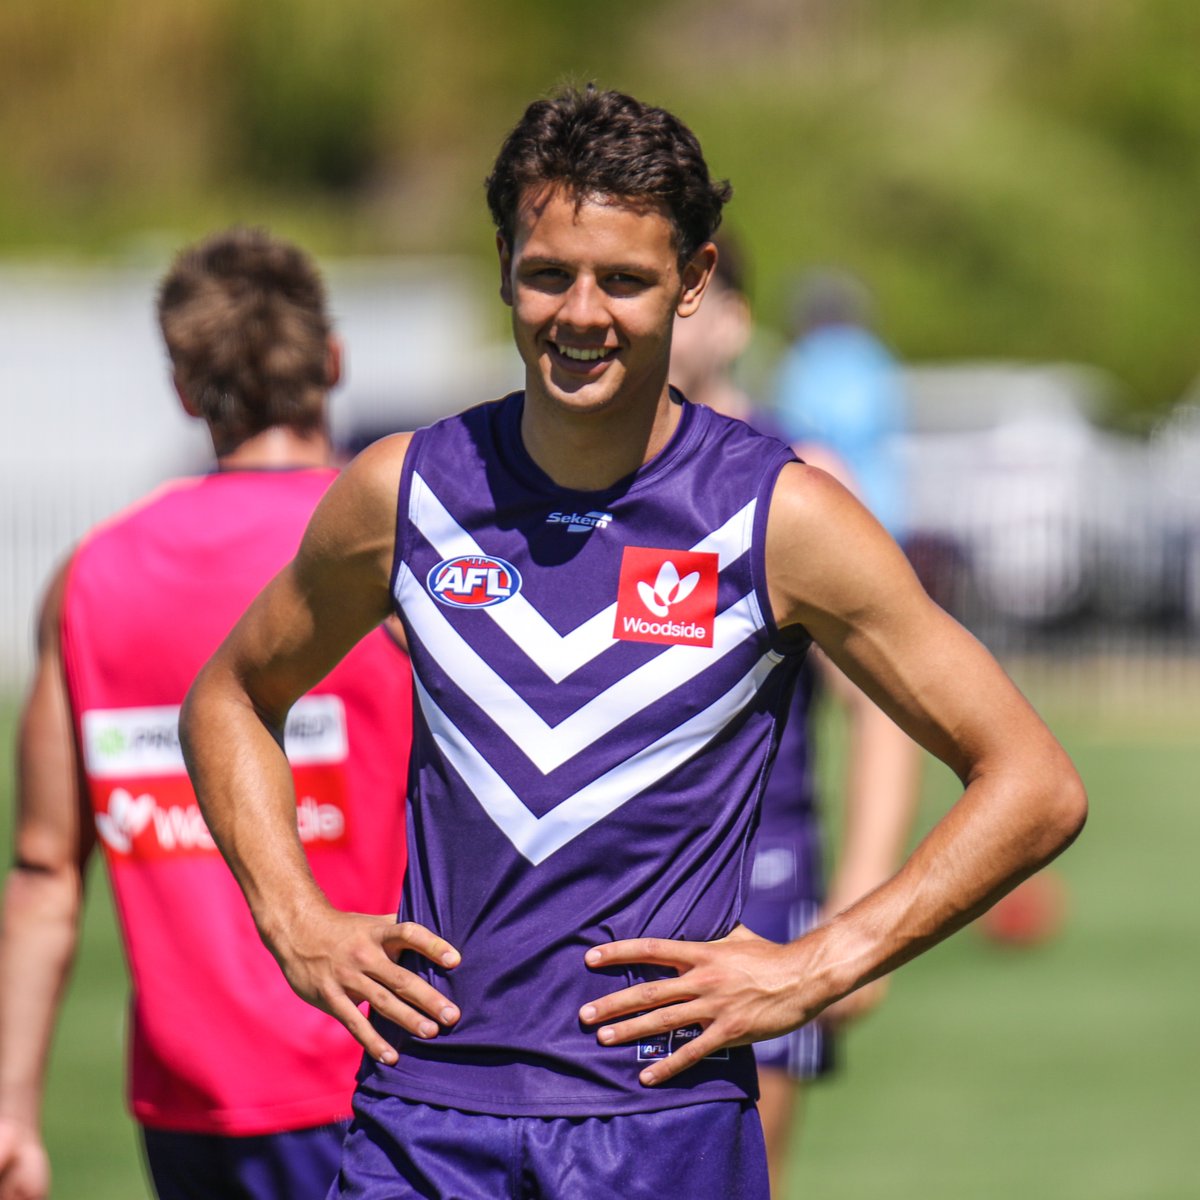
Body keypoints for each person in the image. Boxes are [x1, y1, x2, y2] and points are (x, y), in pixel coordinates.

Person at [180, 87, 1086, 1200]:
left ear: (695, 283)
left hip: (660, 1127)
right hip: (421, 1116)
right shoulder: (400, 493)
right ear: (506, 262)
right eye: (548, 272)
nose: (581, 312)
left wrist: (820, 963)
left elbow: (1033, 781)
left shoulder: (782, 519)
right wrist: (297, 921)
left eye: (626, 279)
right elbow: (229, 698)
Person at [0, 228, 413, 1200]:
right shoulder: (392, 552)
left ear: (184, 389)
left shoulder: (89, 578)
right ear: (334, 361)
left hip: (194, 1103)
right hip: (385, 1066)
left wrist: (14, 1111)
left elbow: (44, 871)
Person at [670, 235, 922, 1195]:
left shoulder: (796, 476)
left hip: (762, 886)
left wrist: (858, 916)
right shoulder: (580, 486)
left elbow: (883, 709)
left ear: (732, 316)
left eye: (684, 290)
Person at [774, 268, 909, 541]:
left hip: (821, 502)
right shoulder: (873, 355)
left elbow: (795, 428)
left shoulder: (803, 359)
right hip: (883, 502)